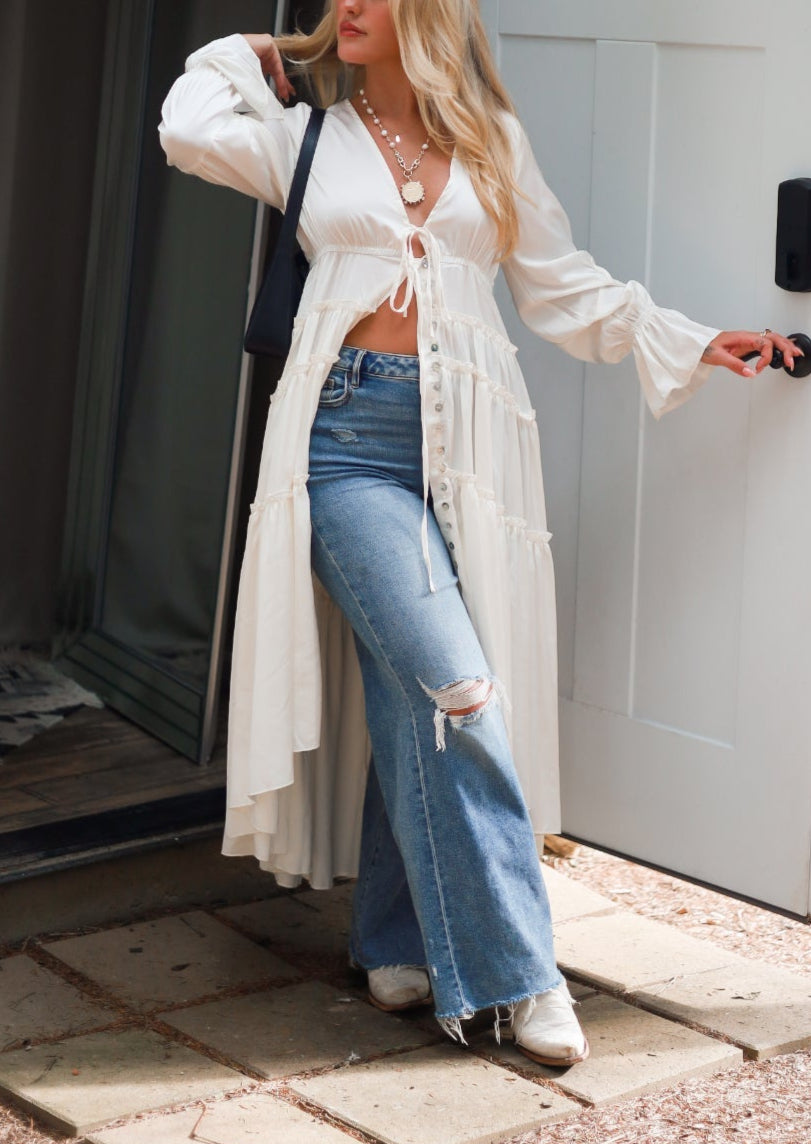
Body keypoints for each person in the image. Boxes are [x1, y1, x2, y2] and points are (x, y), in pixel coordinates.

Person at [158, 0, 800, 1067]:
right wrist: (249, 49)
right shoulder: (305, 134)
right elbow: (184, 128)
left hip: (472, 446)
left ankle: (392, 938)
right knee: (459, 687)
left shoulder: (492, 144)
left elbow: (561, 286)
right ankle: (521, 973)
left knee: (418, 691)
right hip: (345, 446)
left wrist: (686, 338)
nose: (345, 7)